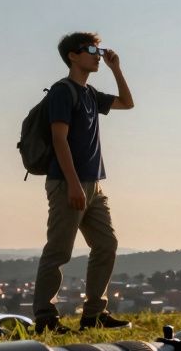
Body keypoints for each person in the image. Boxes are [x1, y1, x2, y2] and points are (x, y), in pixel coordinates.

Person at [31, 32, 135, 334]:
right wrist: (73, 184)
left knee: (106, 244)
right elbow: (59, 139)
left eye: (98, 49)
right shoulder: (63, 91)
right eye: (90, 49)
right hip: (68, 183)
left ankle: (93, 315)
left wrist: (116, 68)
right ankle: (45, 318)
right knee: (59, 251)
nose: (97, 54)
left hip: (94, 185)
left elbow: (127, 103)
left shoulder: (90, 94)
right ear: (72, 56)